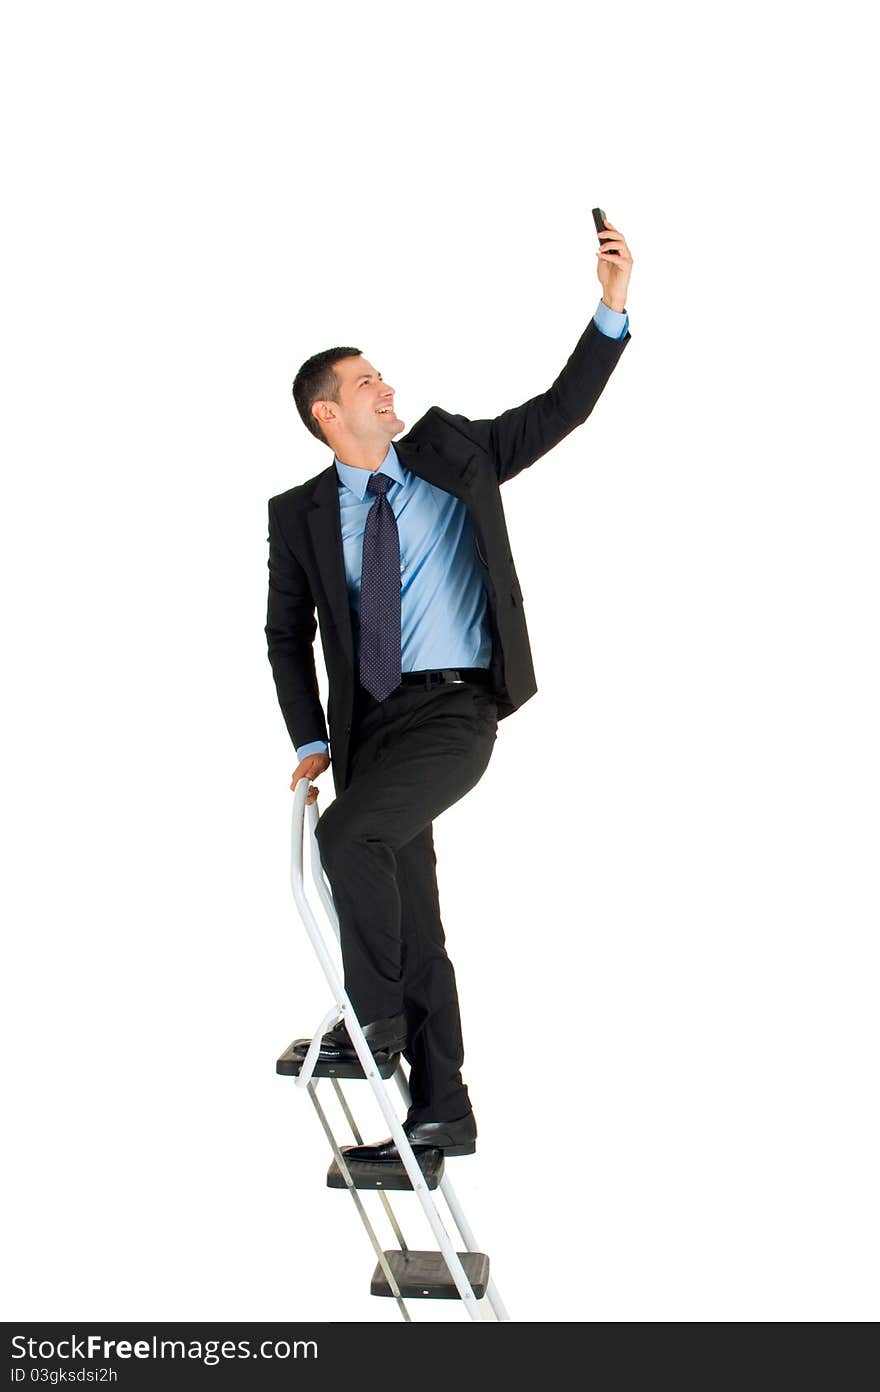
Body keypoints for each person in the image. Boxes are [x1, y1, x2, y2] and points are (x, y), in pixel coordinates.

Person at [265, 216, 633, 1161]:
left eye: (382, 376)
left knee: (353, 836)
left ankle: (372, 1027)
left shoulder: (452, 452)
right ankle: (440, 1109)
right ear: (326, 415)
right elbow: (285, 636)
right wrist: (311, 738)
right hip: (372, 731)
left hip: (455, 710)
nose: (386, 387)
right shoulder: (299, 515)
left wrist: (609, 309)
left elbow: (560, 411)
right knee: (411, 911)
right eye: (364, 383)